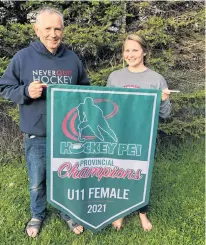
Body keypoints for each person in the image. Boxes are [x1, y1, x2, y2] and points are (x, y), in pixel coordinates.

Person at [0, 7, 90, 237]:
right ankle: (38, 214)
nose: (53, 33)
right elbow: (5, 88)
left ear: (63, 30)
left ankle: (67, 211)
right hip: (37, 134)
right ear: (36, 29)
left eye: (57, 28)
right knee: (37, 180)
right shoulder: (22, 58)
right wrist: (26, 91)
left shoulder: (72, 59)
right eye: (48, 28)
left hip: (68, 134)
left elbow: (85, 90)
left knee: (66, 176)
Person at [107, 33, 172, 231]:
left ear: (144, 51)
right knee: (118, 173)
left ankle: (142, 212)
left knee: (142, 175)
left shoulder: (156, 79)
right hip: (118, 136)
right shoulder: (115, 77)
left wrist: (163, 99)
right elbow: (108, 109)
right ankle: (119, 211)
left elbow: (166, 114)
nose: (130, 54)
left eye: (135, 50)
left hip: (144, 138)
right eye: (127, 50)